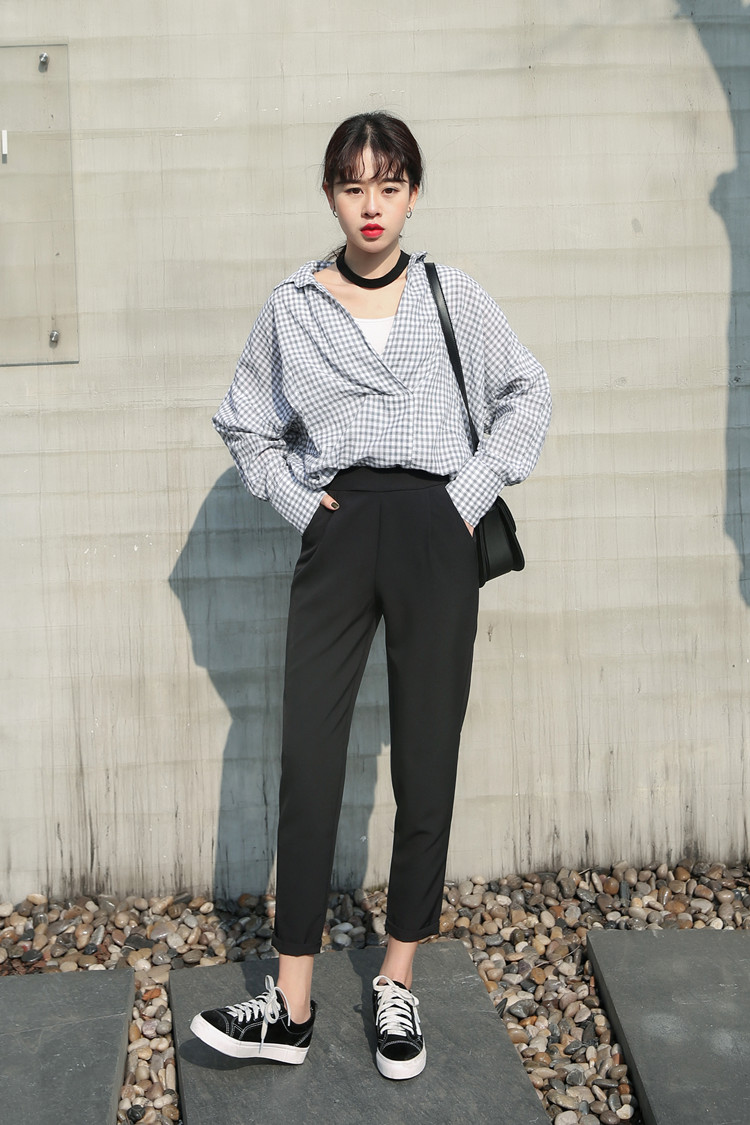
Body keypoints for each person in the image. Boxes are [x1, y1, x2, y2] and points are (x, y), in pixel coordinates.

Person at [190, 111, 551, 1080]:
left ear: (413, 193)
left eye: (389, 186)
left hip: (437, 527)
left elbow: (528, 392)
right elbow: (246, 423)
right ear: (330, 196)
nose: (372, 205)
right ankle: (291, 1002)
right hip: (341, 532)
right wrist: (303, 509)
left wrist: (467, 496)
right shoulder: (293, 308)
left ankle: (397, 977)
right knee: (310, 757)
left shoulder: (450, 293)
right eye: (354, 187)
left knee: (427, 758)